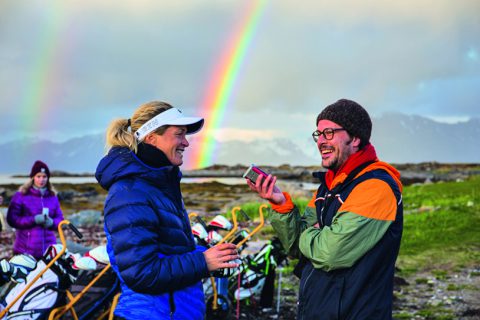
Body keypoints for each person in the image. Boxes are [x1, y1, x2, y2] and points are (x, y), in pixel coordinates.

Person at [246, 99, 403, 319]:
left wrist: (314, 234)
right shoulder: (329, 185)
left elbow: (330, 254)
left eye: (329, 133)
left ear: (355, 138)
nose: (320, 141)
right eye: (318, 134)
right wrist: (281, 205)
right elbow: (297, 250)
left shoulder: (376, 187)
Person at [95, 101, 239, 320]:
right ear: (151, 137)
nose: (186, 143)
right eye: (179, 134)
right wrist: (203, 262)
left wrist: (211, 257)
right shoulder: (130, 193)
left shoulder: (159, 185)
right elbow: (141, 272)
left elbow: (168, 252)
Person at [7, 160, 64, 259]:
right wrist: (34, 219)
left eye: (44, 176)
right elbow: (12, 219)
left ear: (48, 178)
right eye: (38, 176)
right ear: (33, 177)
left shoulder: (53, 196)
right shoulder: (21, 195)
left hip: (49, 251)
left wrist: (52, 223)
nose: (42, 180)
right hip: (25, 250)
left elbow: (60, 220)